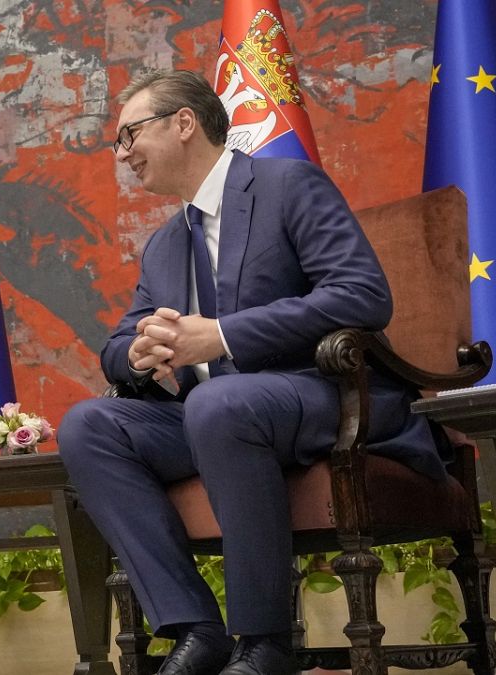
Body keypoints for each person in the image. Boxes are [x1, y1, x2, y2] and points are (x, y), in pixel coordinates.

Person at [59, 71, 445, 675]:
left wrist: (222, 335)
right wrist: (137, 352)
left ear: (183, 123)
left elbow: (361, 295)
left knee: (218, 403)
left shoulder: (286, 185)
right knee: (89, 425)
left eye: (130, 134)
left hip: (321, 396)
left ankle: (265, 643)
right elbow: (118, 342)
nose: (123, 153)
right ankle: (195, 629)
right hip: (213, 416)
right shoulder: (165, 243)